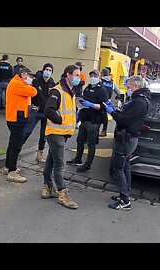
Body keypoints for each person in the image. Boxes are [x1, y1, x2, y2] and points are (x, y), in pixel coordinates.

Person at [104, 75, 150, 211]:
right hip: (129, 137)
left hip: (127, 138)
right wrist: (116, 110)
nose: (128, 89)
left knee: (118, 169)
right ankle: (124, 194)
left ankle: (125, 201)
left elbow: (125, 120)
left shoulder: (139, 102)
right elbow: (126, 116)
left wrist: (112, 112)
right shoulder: (139, 99)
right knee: (125, 167)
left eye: (129, 87)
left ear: (136, 86)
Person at [42, 64, 80, 209]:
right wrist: (61, 120)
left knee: (51, 161)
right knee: (59, 164)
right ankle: (62, 193)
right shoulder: (57, 91)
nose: (78, 77)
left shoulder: (71, 90)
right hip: (55, 132)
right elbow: (48, 110)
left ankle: (47, 187)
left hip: (64, 133)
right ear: (68, 75)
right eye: (76, 75)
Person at [67, 69, 108, 173]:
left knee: (91, 144)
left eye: (95, 75)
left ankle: (88, 164)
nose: (92, 78)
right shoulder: (88, 88)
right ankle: (78, 158)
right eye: (91, 75)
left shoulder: (102, 90)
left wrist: (91, 105)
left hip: (94, 120)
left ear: (99, 77)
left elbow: (104, 107)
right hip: (84, 118)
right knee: (80, 140)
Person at [0, 67, 37, 183]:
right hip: (17, 119)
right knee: (16, 145)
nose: (31, 79)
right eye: (30, 76)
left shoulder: (18, 83)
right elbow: (33, 92)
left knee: (12, 144)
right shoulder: (17, 84)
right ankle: (12, 171)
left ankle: (8, 166)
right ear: (23, 74)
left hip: (17, 117)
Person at [23, 63, 55, 164]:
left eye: (50, 70)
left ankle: (40, 154)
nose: (48, 72)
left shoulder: (52, 84)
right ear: (43, 70)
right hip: (36, 111)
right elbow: (30, 93)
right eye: (47, 69)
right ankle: (18, 147)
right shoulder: (36, 81)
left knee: (43, 134)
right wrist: (31, 105)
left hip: (46, 112)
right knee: (27, 130)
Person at [99, 68, 121, 137]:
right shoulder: (112, 82)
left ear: (102, 73)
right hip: (107, 101)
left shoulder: (100, 81)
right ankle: (104, 130)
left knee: (95, 115)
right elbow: (118, 92)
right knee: (105, 116)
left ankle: (95, 130)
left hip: (98, 100)